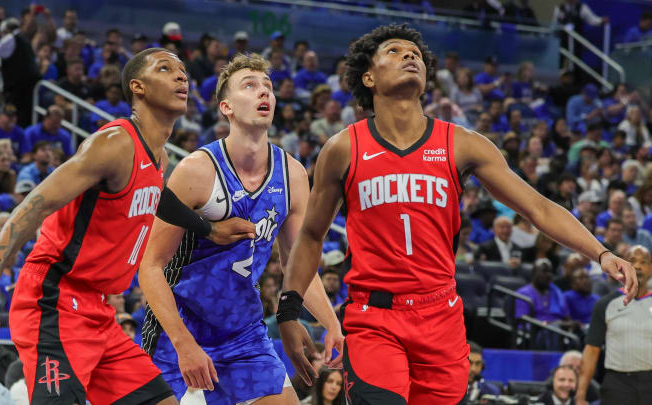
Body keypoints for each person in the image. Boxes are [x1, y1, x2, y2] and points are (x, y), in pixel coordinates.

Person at [275, 24, 637, 405]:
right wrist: (288, 311)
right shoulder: (344, 148)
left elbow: (538, 207)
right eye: (395, 51)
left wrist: (603, 252)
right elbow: (311, 236)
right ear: (368, 75)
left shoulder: (462, 144)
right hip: (375, 319)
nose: (409, 55)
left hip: (440, 318)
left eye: (415, 53)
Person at [0, 48, 254, 405]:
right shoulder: (114, 144)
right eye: (165, 68)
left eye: (184, 71)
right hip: (55, 299)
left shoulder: (158, 157)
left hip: (98, 310)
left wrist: (209, 229)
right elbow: (37, 202)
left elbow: (158, 197)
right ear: (138, 87)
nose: (181, 76)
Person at [139, 53, 343, 404]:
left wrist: (332, 324)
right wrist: (184, 345)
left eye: (268, 87)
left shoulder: (292, 174)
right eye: (249, 86)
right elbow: (150, 266)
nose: (263, 93)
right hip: (179, 327)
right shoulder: (197, 170)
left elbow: (300, 266)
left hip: (242, 334)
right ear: (226, 107)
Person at [575, 245, 652, 405]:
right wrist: (580, 395)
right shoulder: (605, 304)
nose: (637, 266)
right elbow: (591, 350)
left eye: (643, 262)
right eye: (632, 261)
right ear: (623, 265)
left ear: (650, 268)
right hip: (617, 383)